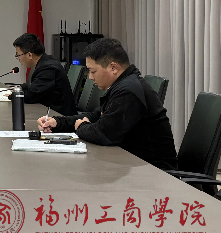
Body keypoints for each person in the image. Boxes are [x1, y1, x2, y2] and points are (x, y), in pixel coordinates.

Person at [37, 37, 177, 169]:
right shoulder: (122, 85)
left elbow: (103, 134)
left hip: (154, 172)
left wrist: (81, 126)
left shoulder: (128, 91)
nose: (90, 77)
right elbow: (95, 116)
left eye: (93, 71)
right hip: (133, 163)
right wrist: (58, 122)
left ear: (113, 68)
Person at [11, 33, 77, 116]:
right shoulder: (44, 63)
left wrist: (11, 96)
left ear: (29, 55)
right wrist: (20, 88)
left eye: (18, 55)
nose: (18, 58)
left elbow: (31, 96)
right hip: (50, 113)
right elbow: (35, 88)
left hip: (60, 117)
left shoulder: (48, 68)